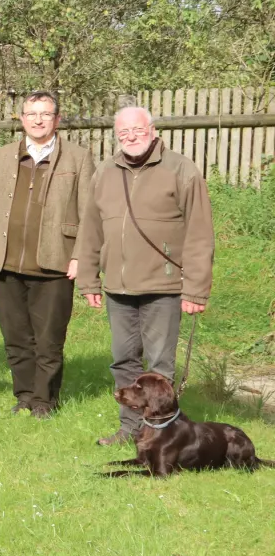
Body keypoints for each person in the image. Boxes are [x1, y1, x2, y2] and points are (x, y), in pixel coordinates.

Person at [75, 106, 213, 446]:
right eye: (123, 132)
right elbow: (90, 229)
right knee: (123, 361)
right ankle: (130, 430)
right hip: (118, 288)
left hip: (163, 286)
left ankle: (161, 436)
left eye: (137, 130)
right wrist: (89, 279)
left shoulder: (181, 169)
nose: (131, 137)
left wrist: (195, 290)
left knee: (160, 368)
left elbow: (200, 233)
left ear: (152, 131)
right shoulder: (105, 172)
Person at [0, 91, 94, 418]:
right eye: (32, 114)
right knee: (16, 338)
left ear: (57, 119)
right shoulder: (3, 156)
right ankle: (24, 396)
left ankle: (44, 401)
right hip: (7, 261)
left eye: (45, 114)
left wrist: (81, 256)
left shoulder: (78, 158)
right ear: (22, 119)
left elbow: (90, 213)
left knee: (48, 341)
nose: (38, 120)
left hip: (55, 263)